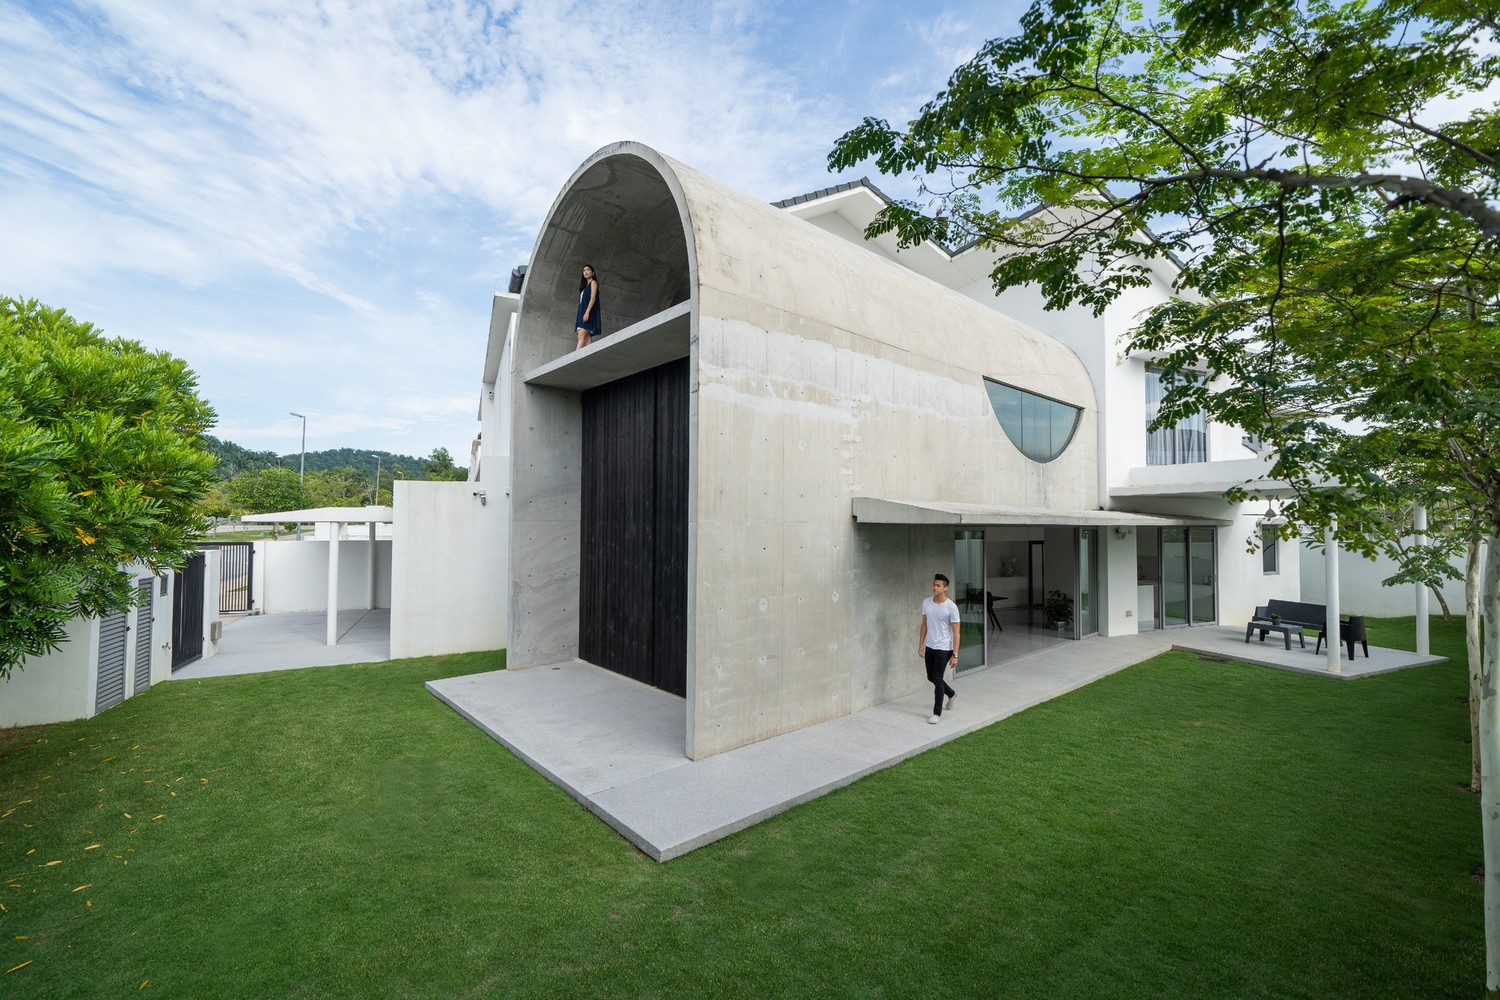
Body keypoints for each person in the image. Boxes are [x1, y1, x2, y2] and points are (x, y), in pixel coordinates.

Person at [919, 573, 961, 724]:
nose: (934, 587)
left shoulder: (951, 607)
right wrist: (920, 644)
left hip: (944, 648)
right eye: (934, 585)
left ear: (945, 588)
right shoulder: (926, 602)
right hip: (930, 646)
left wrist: (955, 654)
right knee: (931, 676)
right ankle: (951, 694)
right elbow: (924, 624)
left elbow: (956, 633)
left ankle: (937, 713)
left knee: (937, 679)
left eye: (938, 585)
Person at [575, 264, 602, 350]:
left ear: (593, 273)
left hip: (587, 313)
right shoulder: (584, 287)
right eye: (584, 271)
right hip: (582, 313)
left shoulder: (593, 283)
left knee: (581, 335)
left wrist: (587, 312)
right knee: (587, 339)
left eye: (588, 270)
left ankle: (574, 360)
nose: (586, 272)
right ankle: (591, 360)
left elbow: (593, 298)